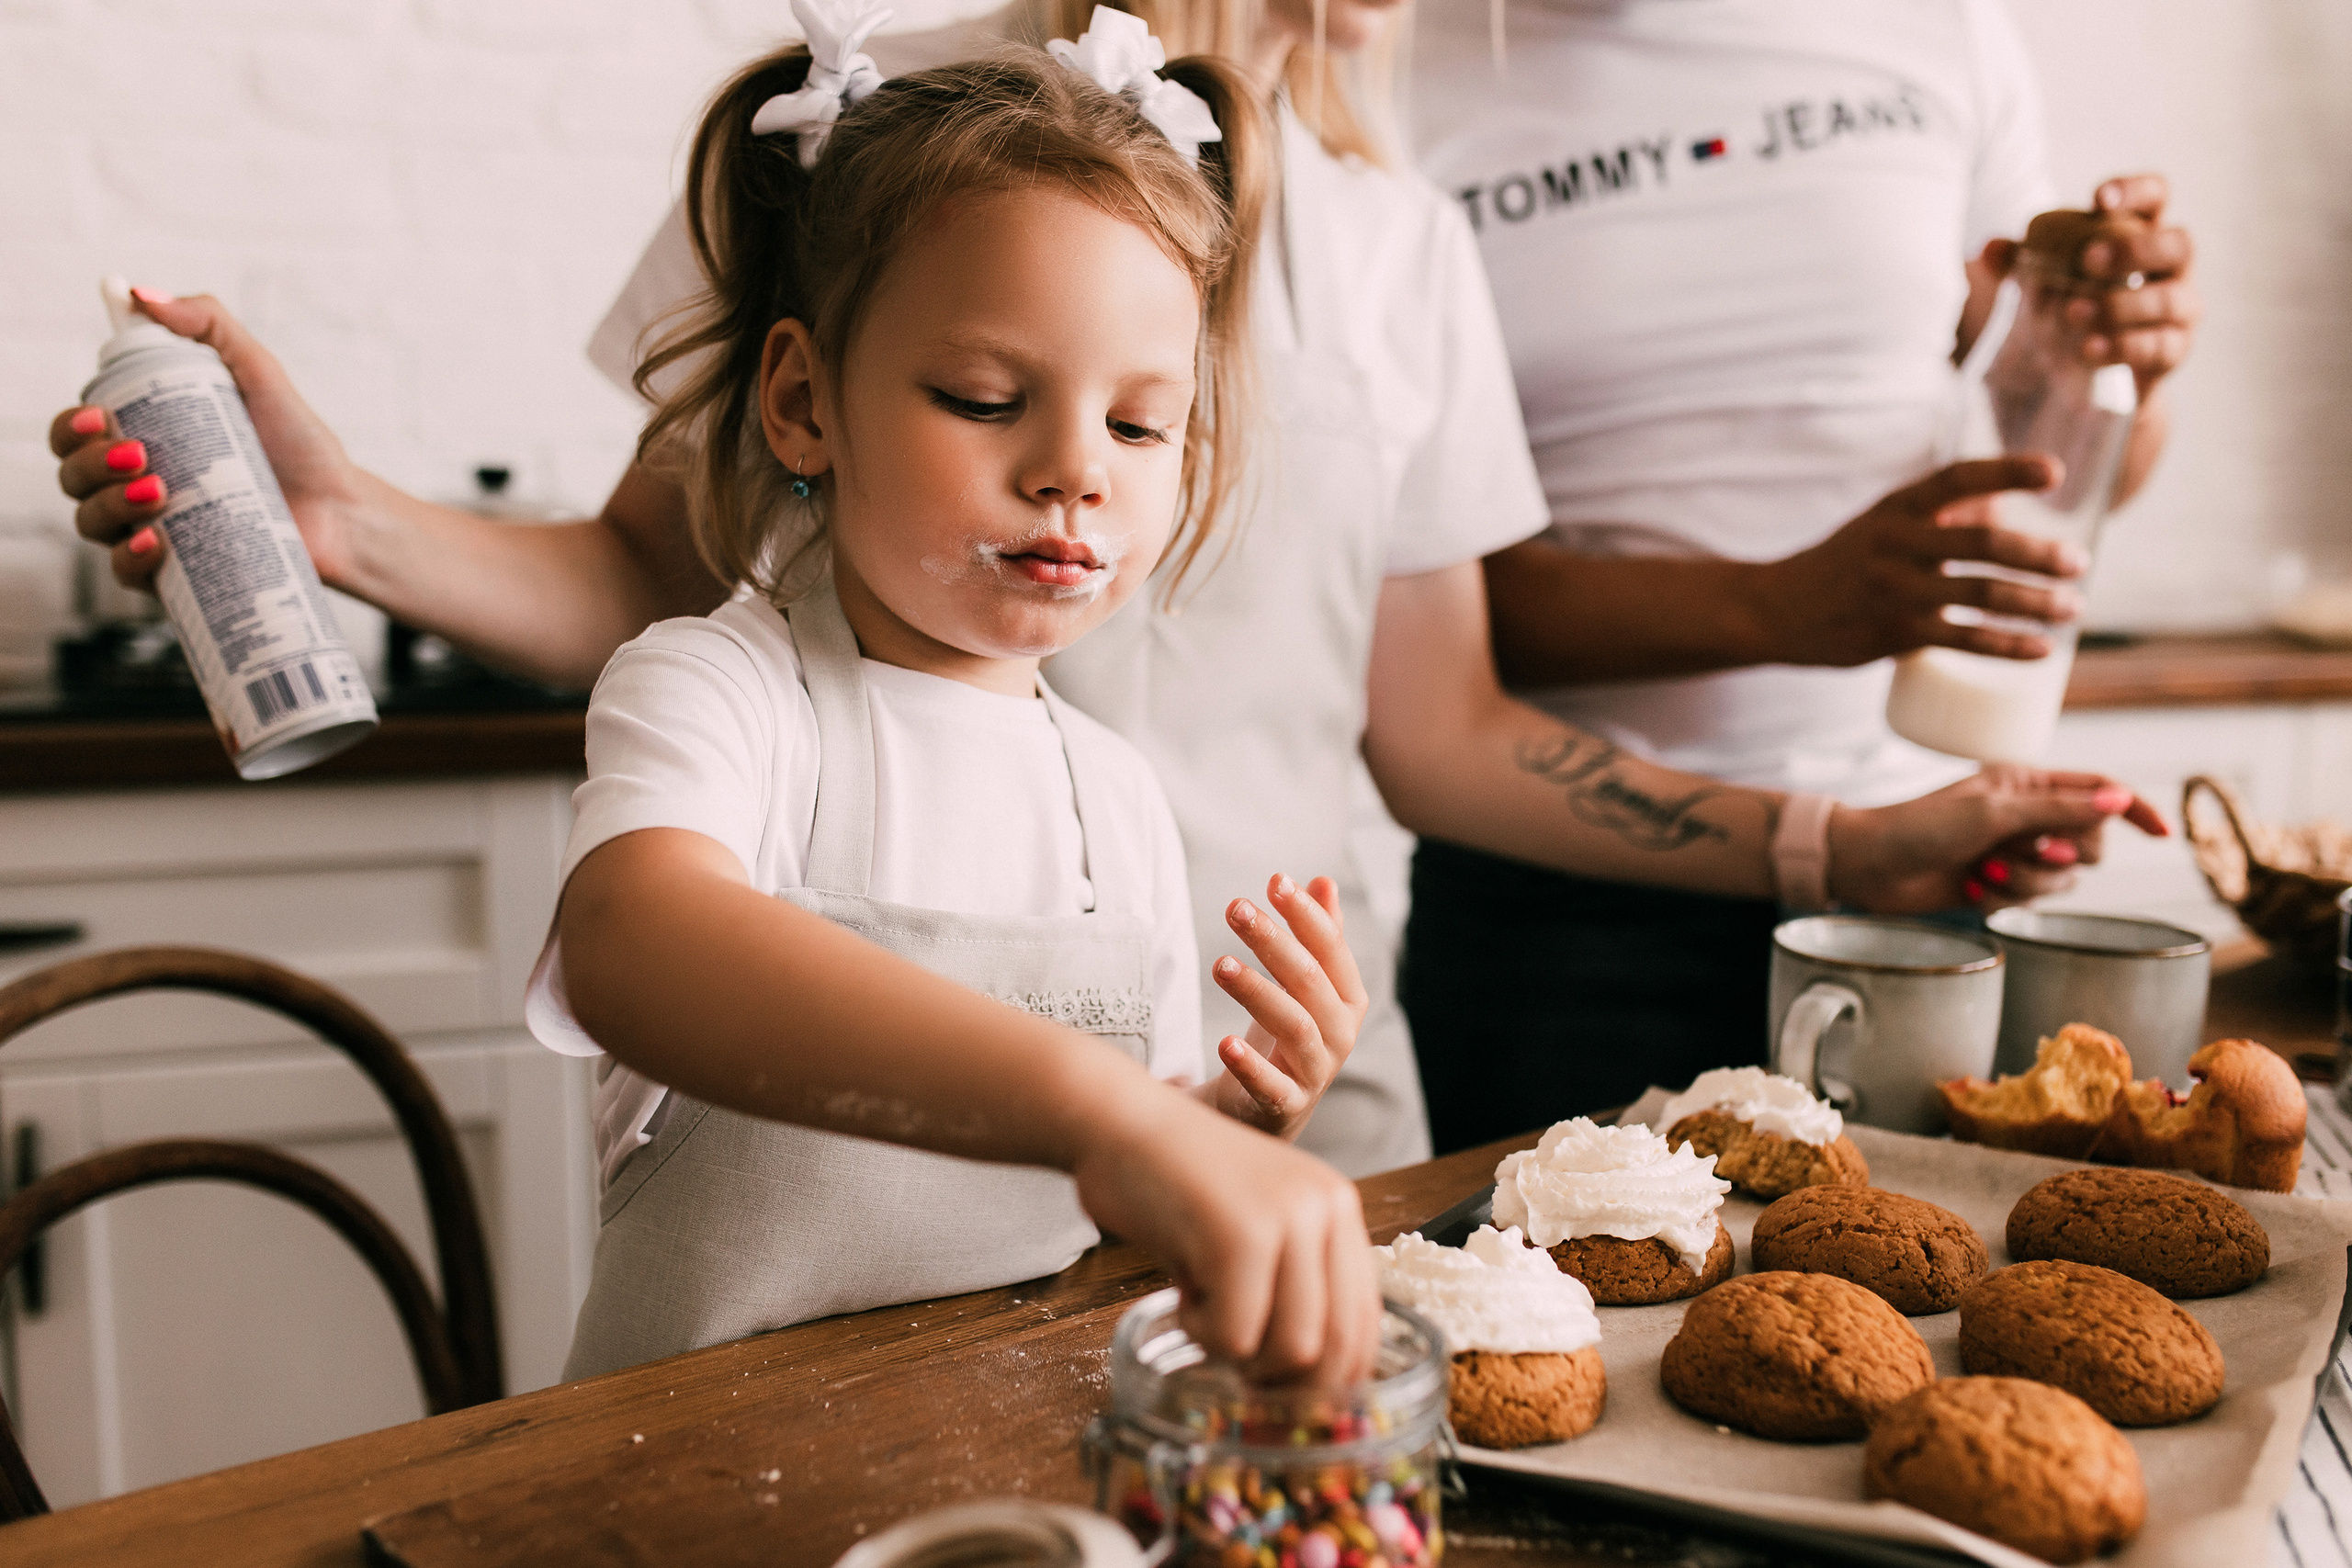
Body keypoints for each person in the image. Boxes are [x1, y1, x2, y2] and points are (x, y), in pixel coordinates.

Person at [51, 0, 2163, 1188]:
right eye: (983, 399)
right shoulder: (862, 139)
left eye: (1143, 422)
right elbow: (638, 574)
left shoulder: (1398, 242)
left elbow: (1442, 733)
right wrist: (348, 529)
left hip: (1278, 1084)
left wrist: (1833, 841)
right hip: (858, 1081)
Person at [534, 14, 1396, 1380]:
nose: (1074, 470)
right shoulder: (722, 693)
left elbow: (1099, 1220)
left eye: (1138, 423)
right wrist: (1108, 1114)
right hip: (692, 1474)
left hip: (1001, 1468)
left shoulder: (1114, 801)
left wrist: (1222, 1132)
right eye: (985, 397)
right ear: (804, 401)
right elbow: (631, 948)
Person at [1399, 0, 2198, 1151]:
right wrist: (1784, 606)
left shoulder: (1939, 28)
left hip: (1924, 867)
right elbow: (1412, 626)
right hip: (1568, 898)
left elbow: (2035, 463)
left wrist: (2108, 371)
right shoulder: (1386, 73)